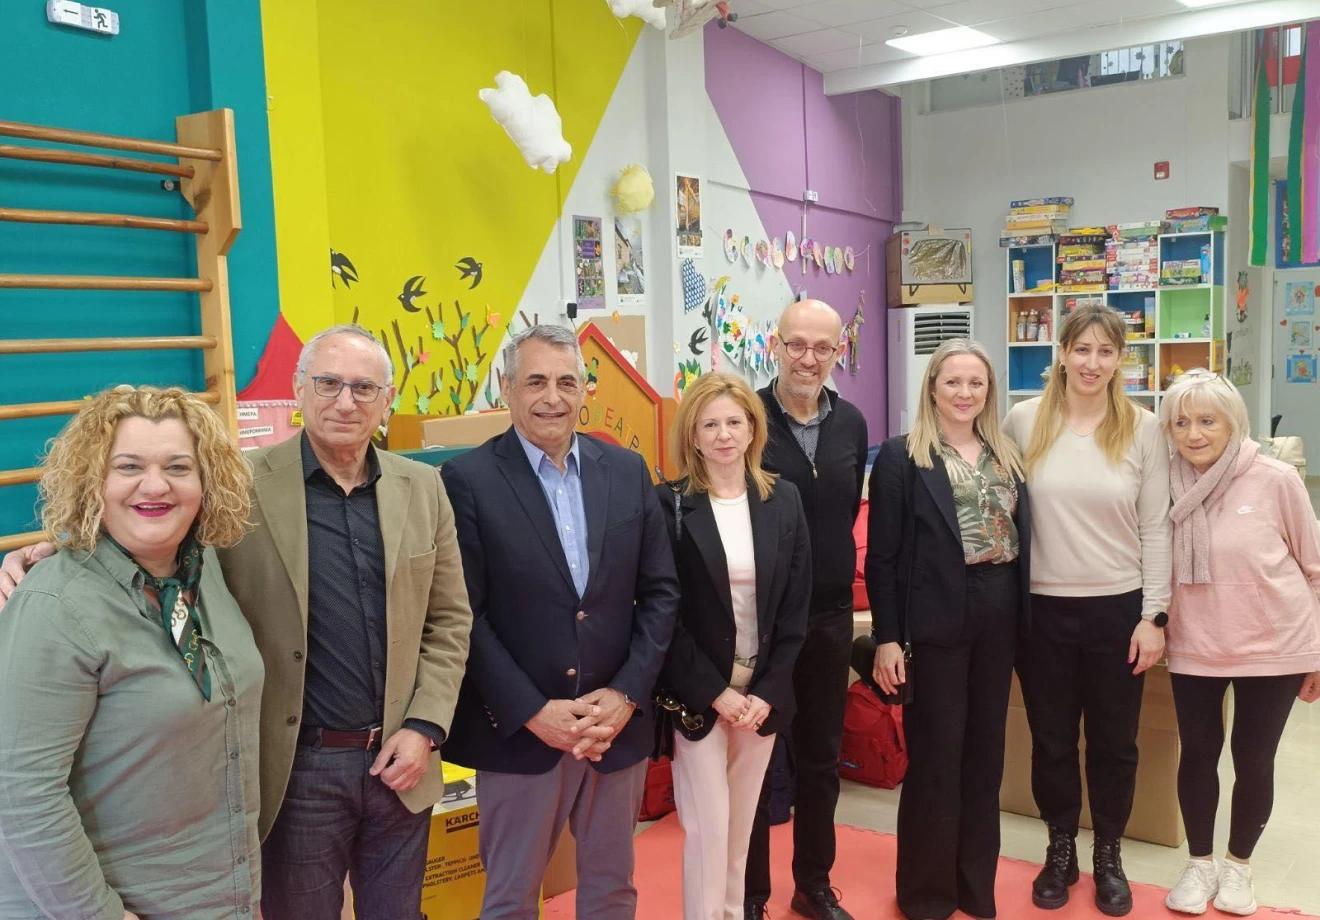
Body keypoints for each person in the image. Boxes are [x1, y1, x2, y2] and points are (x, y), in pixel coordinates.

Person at [1, 324, 474, 920]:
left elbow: (449, 619)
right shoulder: (238, 485)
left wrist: (425, 725)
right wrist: (53, 552)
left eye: (363, 387)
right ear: (299, 388)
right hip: (296, 768)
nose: (345, 401)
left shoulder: (424, 486)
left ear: (388, 398)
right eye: (328, 383)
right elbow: (143, 529)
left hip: (400, 762)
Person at [440, 324, 679, 920]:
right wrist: (530, 711)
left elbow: (660, 593)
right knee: (511, 900)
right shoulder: (466, 481)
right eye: (536, 382)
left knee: (613, 892)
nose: (553, 397)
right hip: (522, 735)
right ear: (507, 389)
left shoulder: (626, 470)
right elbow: (464, 615)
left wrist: (625, 695)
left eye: (567, 382)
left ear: (585, 390)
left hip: (611, 728)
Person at [0, 386, 261, 919]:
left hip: (218, 894)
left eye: (179, 467)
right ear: (92, 480)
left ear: (207, 480)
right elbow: (21, 793)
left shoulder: (205, 570)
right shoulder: (55, 605)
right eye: (129, 466)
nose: (156, 484)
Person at [1002, 303, 1171, 918]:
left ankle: (1108, 855)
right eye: (1081, 349)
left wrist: (1154, 617)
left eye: (1105, 351)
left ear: (1121, 358)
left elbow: (1156, 527)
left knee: (1114, 743)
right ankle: (1060, 850)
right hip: (1041, 610)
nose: (1091, 363)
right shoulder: (1024, 420)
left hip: (1117, 610)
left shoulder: (1144, 429)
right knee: (1050, 739)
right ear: (1062, 353)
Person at [867, 340, 1032, 920]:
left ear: (989, 391)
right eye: (953, 382)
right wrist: (888, 636)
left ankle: (974, 887)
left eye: (976, 383)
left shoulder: (1007, 454)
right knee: (937, 757)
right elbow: (882, 557)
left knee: (986, 757)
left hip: (1000, 608)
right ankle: (927, 894)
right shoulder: (902, 456)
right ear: (932, 387)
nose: (965, 393)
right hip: (934, 616)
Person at [1157, 370, 1320, 917]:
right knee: (1197, 754)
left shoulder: (1276, 479)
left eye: (1208, 421)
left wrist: (1318, 653)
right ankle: (1199, 863)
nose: (1194, 434)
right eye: (1181, 422)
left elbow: (1315, 568)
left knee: (1253, 759)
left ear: (1234, 423)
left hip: (1274, 645)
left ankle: (1238, 866)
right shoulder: (1163, 481)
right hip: (1194, 642)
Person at [658, 372, 811, 920]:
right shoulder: (669, 506)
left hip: (760, 697)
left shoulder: (783, 500)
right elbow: (663, 613)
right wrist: (714, 692)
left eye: (734, 422)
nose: (723, 435)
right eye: (709, 425)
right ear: (692, 436)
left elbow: (795, 609)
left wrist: (767, 691)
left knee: (742, 828)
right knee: (708, 829)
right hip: (700, 696)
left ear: (752, 429)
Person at [746, 298, 869, 920]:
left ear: (837, 352)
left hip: (828, 618)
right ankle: (750, 896)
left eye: (823, 348)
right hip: (762, 623)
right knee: (756, 762)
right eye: (797, 344)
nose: (808, 358)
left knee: (821, 759)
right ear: (776, 345)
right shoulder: (747, 419)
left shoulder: (851, 424)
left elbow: (842, 514)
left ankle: (813, 885)